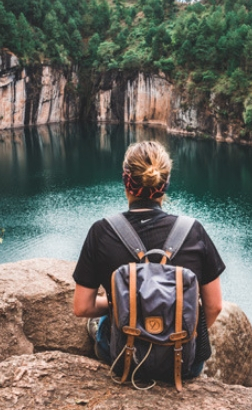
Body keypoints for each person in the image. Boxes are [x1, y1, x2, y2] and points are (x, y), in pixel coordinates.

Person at [72, 140, 225, 379]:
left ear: (126, 180)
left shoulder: (101, 232)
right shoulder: (194, 231)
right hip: (182, 362)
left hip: (125, 357)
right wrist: (177, 332)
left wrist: (116, 304)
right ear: (165, 184)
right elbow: (214, 307)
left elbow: (82, 307)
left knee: (100, 322)